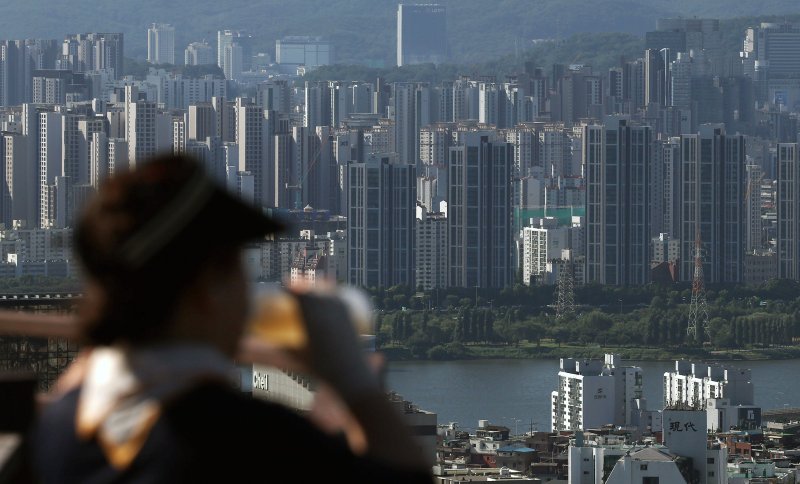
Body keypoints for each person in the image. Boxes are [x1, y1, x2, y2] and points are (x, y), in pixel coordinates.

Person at [31, 154, 433, 483]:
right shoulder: (245, 440)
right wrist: (355, 382)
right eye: (241, 265)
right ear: (208, 286)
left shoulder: (60, 427)